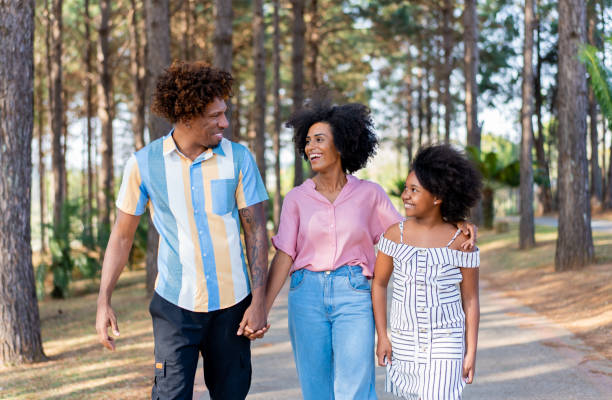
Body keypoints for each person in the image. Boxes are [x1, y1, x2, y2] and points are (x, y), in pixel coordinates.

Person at [262, 100, 476, 399]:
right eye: (307, 141)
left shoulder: (369, 194)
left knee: (356, 388)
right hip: (305, 294)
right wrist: (262, 308)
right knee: (315, 390)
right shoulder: (296, 198)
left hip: (353, 293)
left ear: (342, 144)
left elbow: (412, 230)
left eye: (319, 139)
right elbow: (285, 254)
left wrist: (457, 223)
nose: (311, 146)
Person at [95, 61, 269, 400]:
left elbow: (257, 233)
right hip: (175, 307)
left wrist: (259, 301)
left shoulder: (238, 159)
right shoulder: (143, 164)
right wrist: (104, 301)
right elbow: (121, 236)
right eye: (215, 115)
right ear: (187, 116)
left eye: (225, 112)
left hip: (232, 308)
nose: (225, 122)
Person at [372, 144, 482, 400]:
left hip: (446, 341)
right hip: (403, 342)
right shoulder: (394, 235)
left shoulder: (461, 240)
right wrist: (382, 336)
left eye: (414, 190)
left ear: (437, 197)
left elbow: (471, 299)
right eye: (406, 188)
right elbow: (378, 285)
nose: (405, 195)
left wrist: (471, 351)